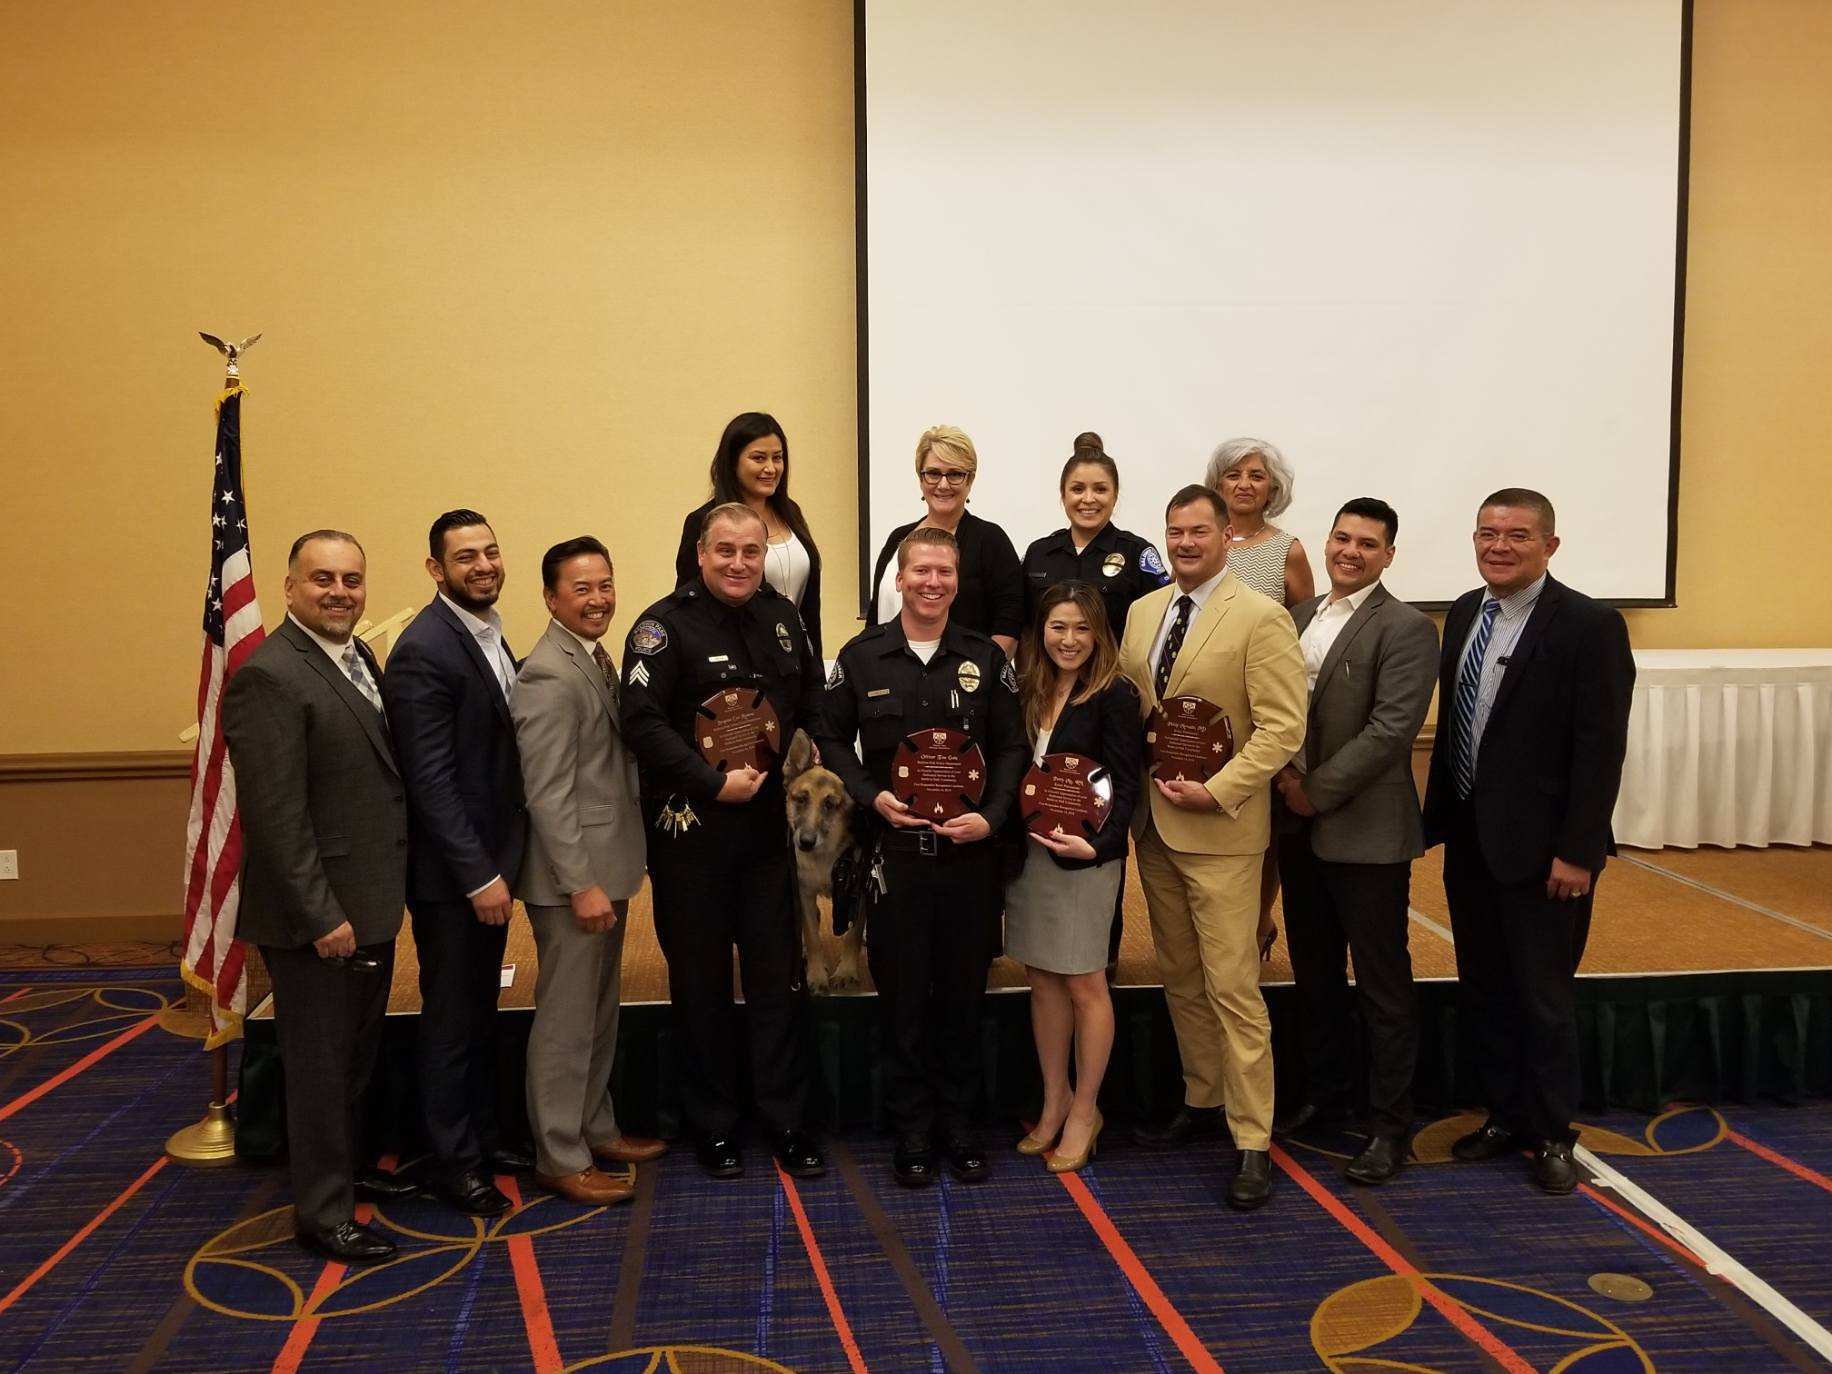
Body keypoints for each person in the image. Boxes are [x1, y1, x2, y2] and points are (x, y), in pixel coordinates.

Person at [1423, 488, 1634, 1195]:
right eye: (1488, 533)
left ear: (1550, 544)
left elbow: (1600, 748)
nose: (1499, 546)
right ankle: (1504, 1116)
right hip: (1473, 843)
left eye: (1517, 534)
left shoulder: (1588, 625)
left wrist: (1579, 851)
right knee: (1485, 987)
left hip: (1547, 855)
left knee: (1543, 997)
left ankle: (1553, 1133)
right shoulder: (1462, 612)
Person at [813, 526, 1028, 1188]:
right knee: (903, 997)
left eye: (945, 572)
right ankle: (911, 1126)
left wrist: (990, 818)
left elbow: (1014, 747)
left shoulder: (985, 659)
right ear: (899, 580)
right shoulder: (863, 655)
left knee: (963, 995)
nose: (933, 582)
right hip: (896, 856)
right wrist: (869, 795)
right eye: (921, 571)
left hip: (967, 858)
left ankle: (960, 1124)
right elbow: (828, 733)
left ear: (957, 581)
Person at [223, 530, 413, 1263]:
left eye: (352, 580)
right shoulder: (270, 675)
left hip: (364, 902)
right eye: (323, 579)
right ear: (290, 588)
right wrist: (320, 916)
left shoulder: (355, 654)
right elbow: (276, 818)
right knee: (319, 1067)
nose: (340, 592)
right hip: (319, 918)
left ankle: (348, 1173)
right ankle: (323, 1214)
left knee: (354, 1057)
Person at [622, 504, 825, 1181]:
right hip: (694, 841)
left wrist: (812, 744)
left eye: (751, 550)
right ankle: (712, 1126)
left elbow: (808, 703)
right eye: (725, 551)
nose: (739, 563)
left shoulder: (783, 619)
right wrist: (710, 781)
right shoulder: (662, 627)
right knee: (701, 986)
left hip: (768, 838)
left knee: (777, 983)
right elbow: (642, 724)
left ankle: (786, 1120)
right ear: (701, 552)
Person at [1118, 485, 1306, 1210]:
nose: (1186, 543)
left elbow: (1283, 729)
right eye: (1176, 531)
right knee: (1181, 975)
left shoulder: (1260, 617)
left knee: (1233, 987)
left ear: (1228, 535)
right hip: (1155, 826)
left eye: (1200, 531)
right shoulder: (1142, 612)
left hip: (1221, 829)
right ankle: (1202, 1099)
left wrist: (1221, 789)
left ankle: (1253, 1137)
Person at [1271, 498, 1438, 1185]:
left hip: (1365, 835)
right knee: (1314, 976)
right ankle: (1326, 1097)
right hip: (1295, 827)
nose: (1350, 551)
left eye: (1368, 544)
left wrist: (1313, 788)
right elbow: (1275, 710)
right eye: (1342, 537)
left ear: (1388, 556)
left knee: (1381, 984)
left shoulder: (1406, 627)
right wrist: (1281, 773)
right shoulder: (1299, 618)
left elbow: (1392, 730)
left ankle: (1389, 1125)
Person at [381, 509, 532, 1217]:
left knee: (477, 1010)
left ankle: (478, 1135)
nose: (483, 566)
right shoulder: (425, 650)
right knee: (448, 1016)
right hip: (455, 880)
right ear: (436, 570)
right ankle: (452, 1162)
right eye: (465, 557)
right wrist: (479, 876)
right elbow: (430, 781)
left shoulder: (489, 633)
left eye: (490, 552)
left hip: (489, 865)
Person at [511, 537, 665, 1207]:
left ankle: (595, 1128)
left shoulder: (594, 659)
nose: (598, 597)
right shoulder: (548, 673)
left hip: (605, 867)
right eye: (582, 588)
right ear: (550, 598)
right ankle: (559, 1154)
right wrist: (581, 885)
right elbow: (546, 794)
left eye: (605, 584)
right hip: (575, 881)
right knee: (566, 1022)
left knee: (600, 1013)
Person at [1005, 582, 1142, 1173]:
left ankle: (1087, 1109)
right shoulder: (1029, 688)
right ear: (1042, 631)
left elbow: (1127, 785)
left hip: (1085, 857)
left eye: (1082, 628)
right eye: (1058, 627)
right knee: (1042, 976)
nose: (1069, 640)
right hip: (1030, 854)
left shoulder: (1115, 695)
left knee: (1085, 982)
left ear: (1100, 634)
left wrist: (1100, 846)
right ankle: (1054, 1096)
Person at [1021, 432, 1170, 973]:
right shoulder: (1039, 554)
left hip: (1110, 703)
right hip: (1050, 703)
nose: (1089, 498)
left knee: (1102, 811)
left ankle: (1100, 958)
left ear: (1115, 493)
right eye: (1078, 488)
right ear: (1062, 494)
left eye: (1100, 488)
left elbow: (1162, 622)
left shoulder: (1139, 554)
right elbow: (1025, 631)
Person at [1204, 437, 1316, 962]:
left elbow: (1309, 627)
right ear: (1217, 483)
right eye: (1233, 475)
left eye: (1256, 475)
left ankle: (1258, 919)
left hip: (1260, 714)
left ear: (1273, 486)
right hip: (1200, 712)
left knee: (1261, 823)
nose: (1244, 485)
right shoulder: (1201, 542)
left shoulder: (1286, 548)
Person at [673, 412, 825, 661]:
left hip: (795, 662)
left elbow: (810, 608)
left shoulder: (791, 513)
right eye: (758, 458)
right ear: (733, 462)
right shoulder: (703, 521)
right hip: (738, 662)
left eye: (777, 458)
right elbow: (689, 610)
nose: (770, 468)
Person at [867, 425, 1024, 659]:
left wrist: (980, 677)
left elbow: (1009, 624)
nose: (943, 484)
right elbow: (874, 618)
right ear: (920, 478)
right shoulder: (897, 539)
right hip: (890, 682)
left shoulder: (991, 540)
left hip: (964, 686)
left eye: (955, 474)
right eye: (933, 473)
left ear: (970, 480)